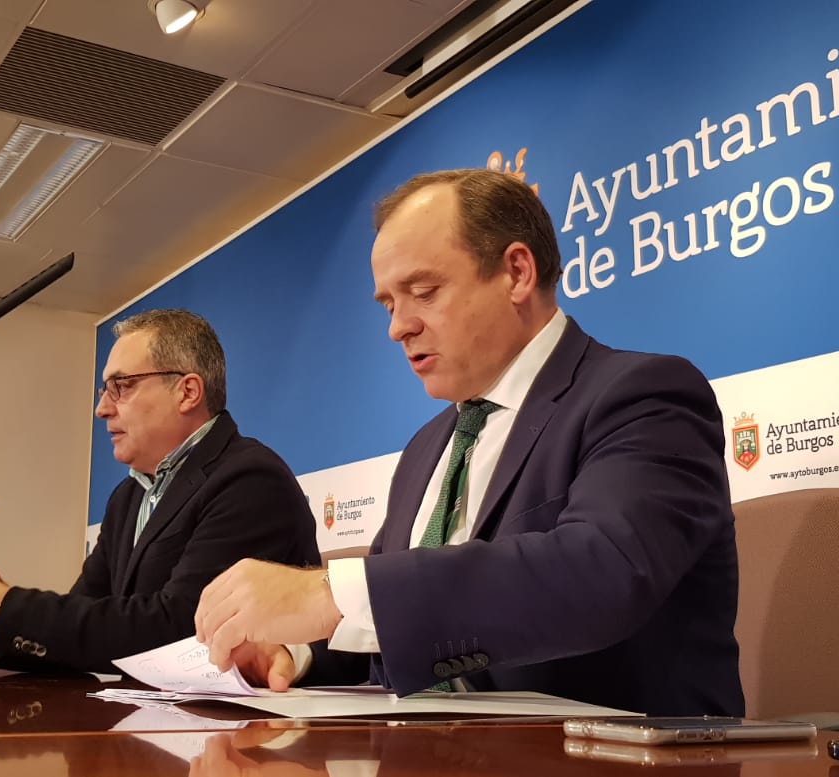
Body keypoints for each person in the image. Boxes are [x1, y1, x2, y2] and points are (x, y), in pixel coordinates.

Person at [193, 169, 744, 715]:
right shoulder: (426, 448)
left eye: (424, 293)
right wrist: (295, 652)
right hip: (433, 748)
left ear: (516, 273)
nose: (398, 328)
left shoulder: (643, 394)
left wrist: (330, 595)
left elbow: (605, 571)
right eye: (389, 305)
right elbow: (402, 630)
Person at [0, 309, 319, 673]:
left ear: (187, 392)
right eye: (105, 390)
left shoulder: (249, 478)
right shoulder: (128, 498)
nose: (102, 408)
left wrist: (10, 613)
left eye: (121, 386)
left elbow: (185, 631)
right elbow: (87, 621)